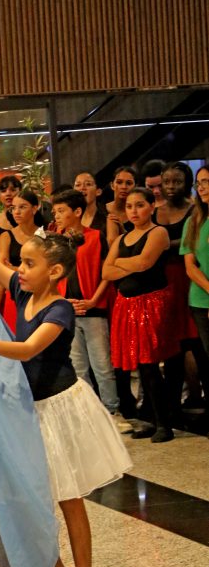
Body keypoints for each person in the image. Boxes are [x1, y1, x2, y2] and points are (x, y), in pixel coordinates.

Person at [0, 185, 132, 567]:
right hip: (31, 408)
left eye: (29, 263)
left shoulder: (61, 309)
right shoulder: (23, 291)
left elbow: (27, 349)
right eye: (21, 262)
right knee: (32, 494)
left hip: (60, 408)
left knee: (69, 499)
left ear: (54, 272)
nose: (19, 269)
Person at [51, 189, 132, 433]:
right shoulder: (56, 240)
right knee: (78, 366)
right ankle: (87, 413)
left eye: (61, 211)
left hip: (93, 307)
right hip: (66, 309)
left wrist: (94, 300)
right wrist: (61, 302)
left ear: (77, 211)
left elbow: (106, 272)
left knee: (102, 365)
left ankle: (111, 410)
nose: (57, 216)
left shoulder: (95, 237)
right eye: (55, 211)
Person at [102, 188, 178, 443]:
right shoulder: (122, 238)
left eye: (140, 205)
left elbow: (145, 263)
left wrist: (120, 263)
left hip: (151, 304)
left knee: (150, 364)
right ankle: (152, 420)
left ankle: (164, 423)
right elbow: (106, 272)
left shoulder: (158, 232)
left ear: (152, 206)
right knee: (141, 366)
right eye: (129, 206)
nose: (134, 211)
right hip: (127, 304)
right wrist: (130, 264)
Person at [154, 162, 209, 425]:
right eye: (167, 181)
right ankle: (172, 410)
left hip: (189, 285)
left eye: (177, 181)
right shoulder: (156, 212)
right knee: (171, 351)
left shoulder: (194, 211)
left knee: (201, 350)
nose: (171, 186)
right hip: (164, 286)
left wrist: (160, 244)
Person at [0, 189, 40, 328]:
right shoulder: (6, 236)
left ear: (35, 208)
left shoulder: (44, 235)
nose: (17, 212)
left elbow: (46, 269)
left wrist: (13, 268)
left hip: (39, 293)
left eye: (22, 207)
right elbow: (1, 270)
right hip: (14, 293)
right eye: (14, 208)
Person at [181, 166, 209, 361]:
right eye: (198, 183)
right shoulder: (193, 222)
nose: (201, 187)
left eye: (206, 181)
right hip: (200, 299)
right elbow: (190, 267)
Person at [73, 171, 121, 244]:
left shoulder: (109, 218)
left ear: (98, 192)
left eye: (88, 184)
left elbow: (112, 248)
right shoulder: (70, 217)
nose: (82, 188)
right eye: (78, 185)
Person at [105, 166, 137, 231]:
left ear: (135, 187)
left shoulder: (138, 214)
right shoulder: (100, 210)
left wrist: (123, 231)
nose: (124, 187)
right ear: (112, 185)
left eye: (129, 183)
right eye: (119, 182)